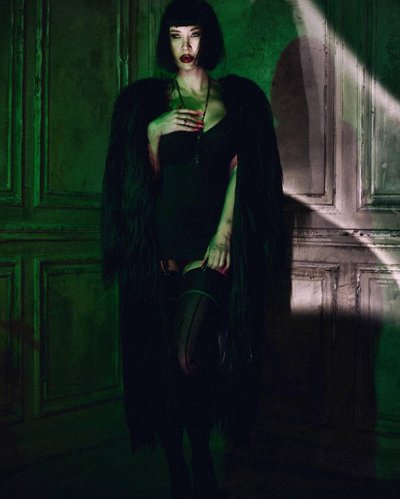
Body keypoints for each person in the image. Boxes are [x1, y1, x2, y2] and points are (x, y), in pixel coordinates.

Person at [101, 1, 285, 497]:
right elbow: (140, 186)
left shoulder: (239, 100)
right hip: (161, 250)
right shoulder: (147, 104)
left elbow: (246, 169)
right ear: (167, 41)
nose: (186, 45)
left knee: (187, 354)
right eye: (176, 35)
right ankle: (178, 465)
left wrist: (224, 235)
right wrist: (154, 133)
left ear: (209, 38)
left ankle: (200, 451)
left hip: (208, 251)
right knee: (163, 364)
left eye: (195, 34)